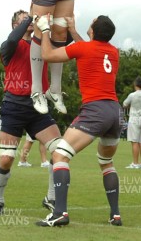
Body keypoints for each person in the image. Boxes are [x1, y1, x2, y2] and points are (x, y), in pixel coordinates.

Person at [34, 14, 123, 227]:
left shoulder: (84, 48)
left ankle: (60, 213)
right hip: (115, 113)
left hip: (95, 111)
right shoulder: (113, 52)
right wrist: (73, 31)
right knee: (106, 162)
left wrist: (45, 29)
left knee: (59, 156)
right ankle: (115, 214)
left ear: (92, 30)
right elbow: (89, 48)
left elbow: (47, 54)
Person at [0, 10, 62, 216]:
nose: (29, 22)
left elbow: (59, 48)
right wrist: (32, 16)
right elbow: (13, 39)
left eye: (29, 19)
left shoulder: (41, 46)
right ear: (15, 25)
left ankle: (51, 198)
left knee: (59, 151)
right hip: (13, 106)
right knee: (6, 158)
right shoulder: (10, 47)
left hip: (37, 107)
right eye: (23, 20)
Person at [123, 77, 141, 169]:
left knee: (134, 142)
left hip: (134, 119)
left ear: (135, 84)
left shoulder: (132, 95)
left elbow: (124, 104)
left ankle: (135, 163)